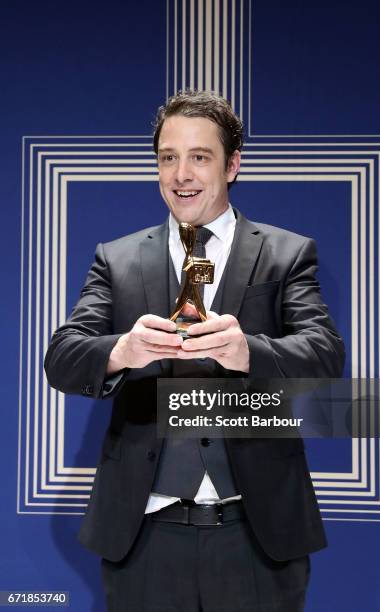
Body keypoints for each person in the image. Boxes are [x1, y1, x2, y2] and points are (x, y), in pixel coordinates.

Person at [44, 90, 345, 612]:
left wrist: (247, 351)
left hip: (257, 539)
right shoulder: (115, 260)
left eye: (199, 157)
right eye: (168, 157)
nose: (181, 174)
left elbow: (324, 353)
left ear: (232, 165)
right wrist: (123, 349)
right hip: (144, 539)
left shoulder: (287, 253)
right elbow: (63, 357)